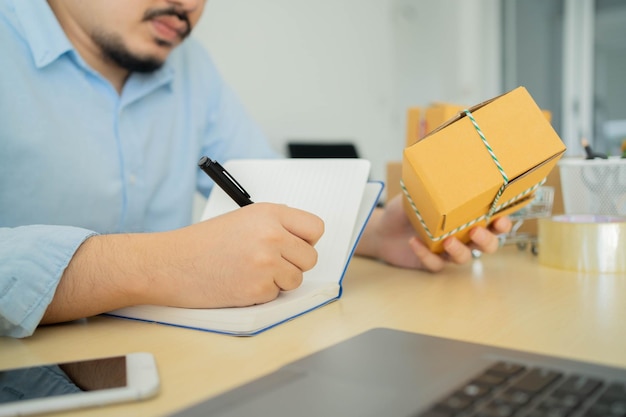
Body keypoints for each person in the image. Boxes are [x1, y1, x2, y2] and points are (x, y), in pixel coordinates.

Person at [0, 0, 511, 338]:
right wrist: (167, 264)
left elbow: (264, 191)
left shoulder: (190, 64)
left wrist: (376, 232)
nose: (188, 6)